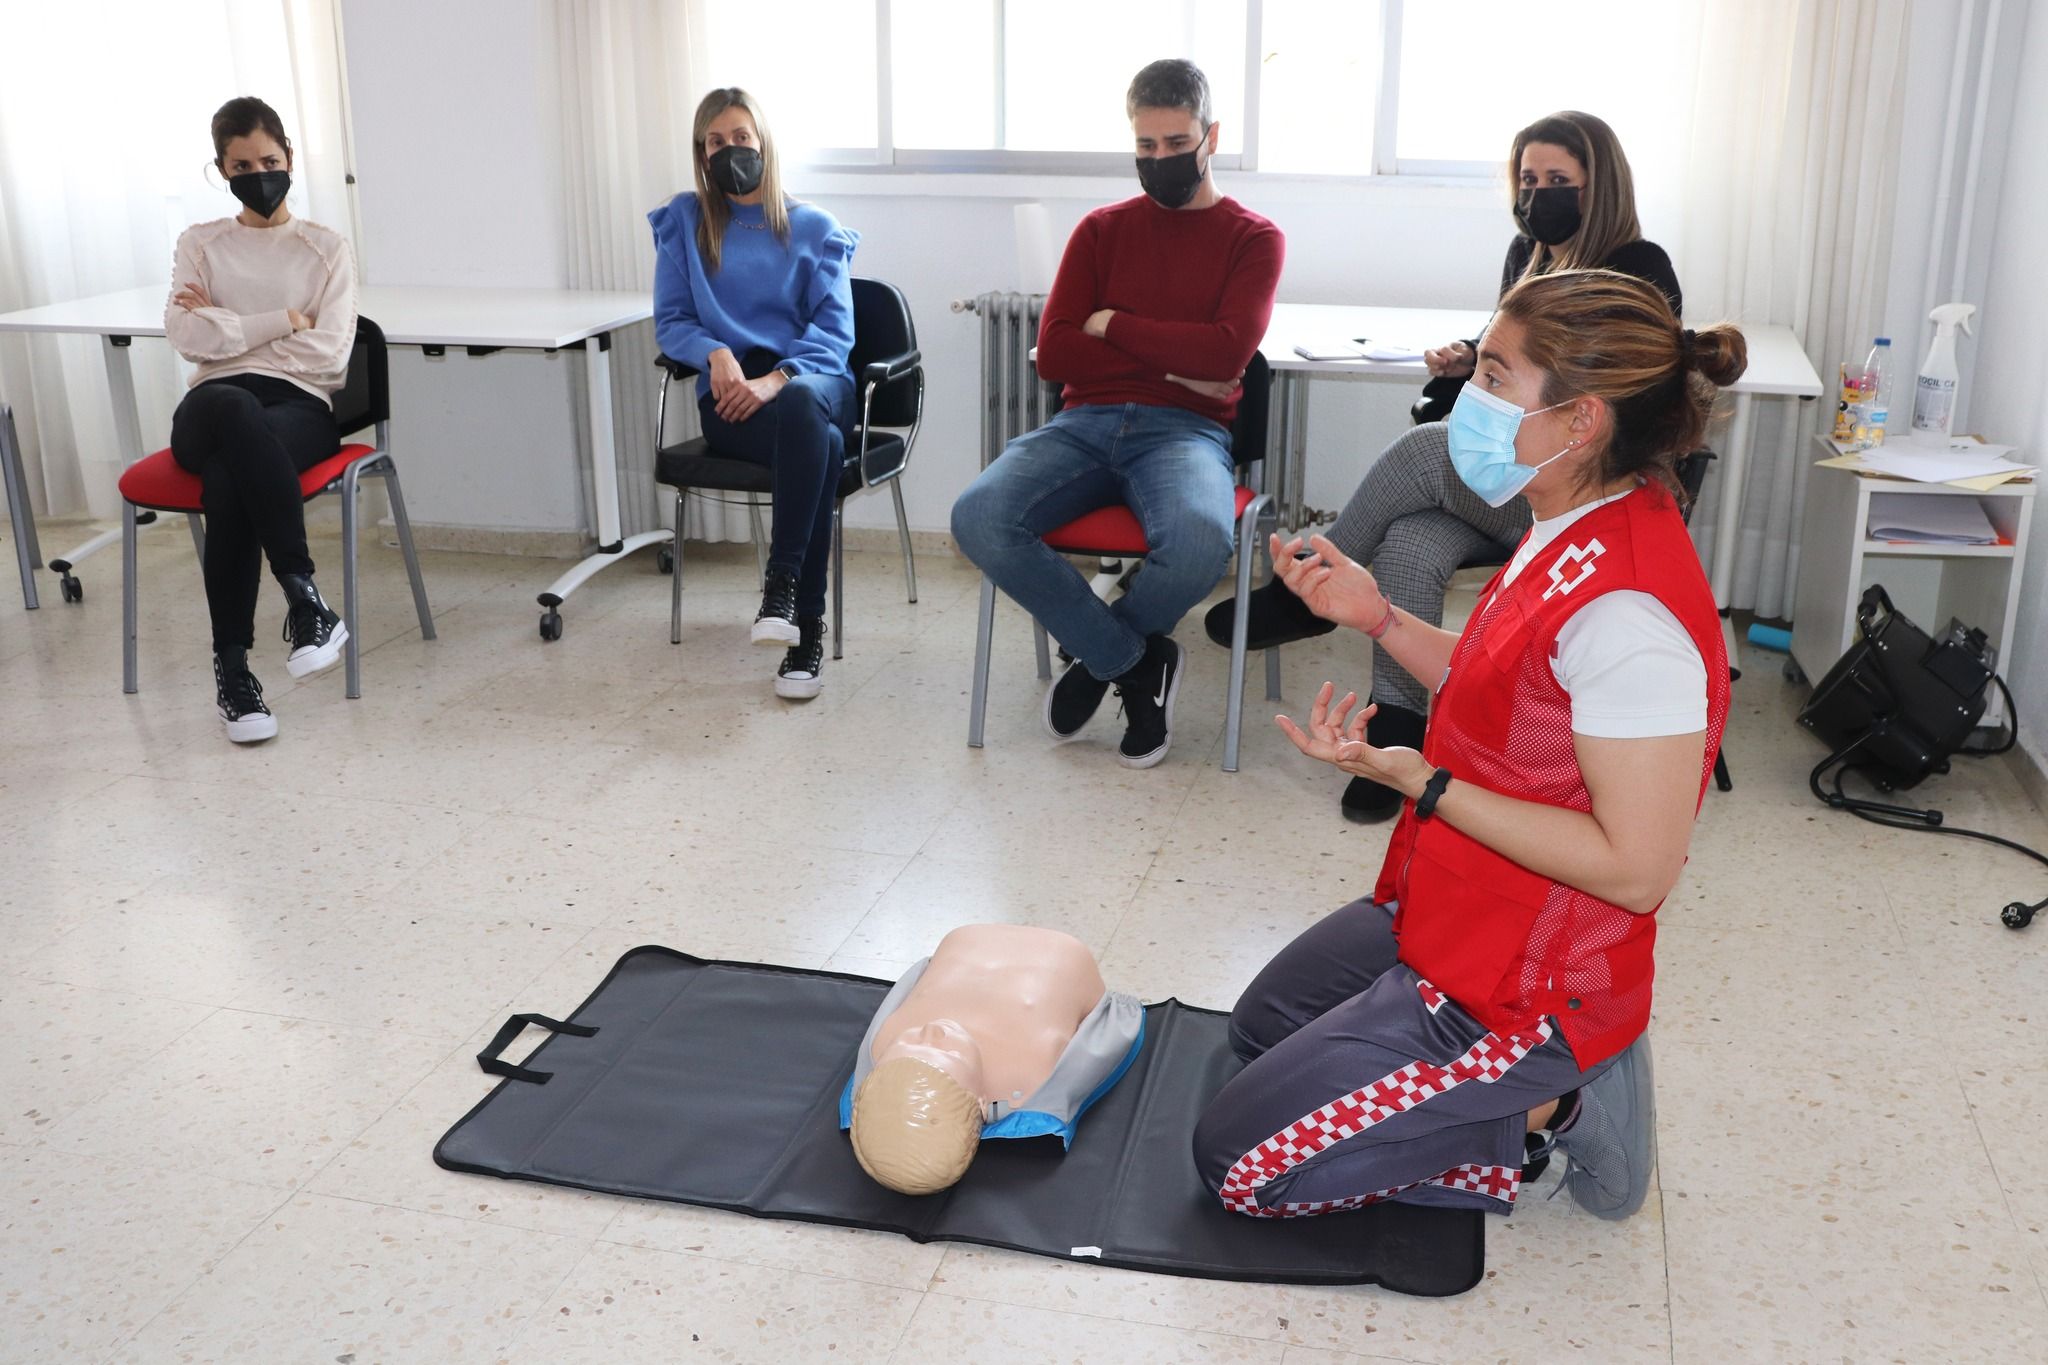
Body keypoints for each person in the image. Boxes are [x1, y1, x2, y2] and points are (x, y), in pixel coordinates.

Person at [1192, 269, 1744, 1224]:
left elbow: (1637, 870)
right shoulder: (1567, 519)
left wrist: (1426, 780)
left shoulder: (1629, 612)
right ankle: (1512, 1079)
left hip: (1531, 985)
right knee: (1259, 1030)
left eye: (1496, 376)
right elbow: (1510, 691)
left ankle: (1554, 1104)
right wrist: (1379, 617)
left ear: (1581, 423)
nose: (1470, 398)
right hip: (1457, 906)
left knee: (1239, 1165)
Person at [1207, 110, 1681, 820]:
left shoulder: (1640, 269)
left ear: (1599, 185)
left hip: (1573, 493)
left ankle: (1311, 579)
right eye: (1527, 178)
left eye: (1558, 180)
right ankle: (1396, 734)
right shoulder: (1528, 253)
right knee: (1411, 542)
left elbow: (1611, 397)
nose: (1537, 193)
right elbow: (1526, 359)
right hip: (1514, 486)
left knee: (1427, 449)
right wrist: (1472, 356)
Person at [951, 58, 1283, 769]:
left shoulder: (1254, 239)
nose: (1159, 160)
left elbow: (1229, 354)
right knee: (978, 515)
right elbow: (1057, 354)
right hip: (1083, 424)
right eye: (1144, 147)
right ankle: (1132, 663)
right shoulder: (1101, 230)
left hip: (1187, 432)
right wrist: (1178, 360)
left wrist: (1117, 324)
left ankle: (1096, 660)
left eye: (1174, 143)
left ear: (1211, 136)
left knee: (1200, 539)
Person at [650, 87, 860, 700]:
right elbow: (672, 321)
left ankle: (782, 588)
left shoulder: (814, 227)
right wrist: (716, 354)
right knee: (816, 447)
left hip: (813, 384)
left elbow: (835, 334)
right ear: (701, 151)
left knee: (806, 414)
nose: (730, 149)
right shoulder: (684, 222)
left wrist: (776, 379)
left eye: (741, 137)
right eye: (716, 141)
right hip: (734, 398)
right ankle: (805, 631)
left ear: (763, 143)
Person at [166, 96, 357, 744]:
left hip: (299, 404)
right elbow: (184, 334)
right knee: (230, 403)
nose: (259, 173)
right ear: (221, 169)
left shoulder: (326, 248)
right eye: (241, 163)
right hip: (210, 404)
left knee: (228, 478)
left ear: (291, 160)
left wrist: (227, 329)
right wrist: (281, 321)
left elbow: (329, 353)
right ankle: (305, 599)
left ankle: (234, 676)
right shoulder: (201, 243)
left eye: (269, 160)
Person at [843, 925, 1141, 1195]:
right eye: (948, 1052)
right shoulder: (1033, 1076)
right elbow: (1112, 1032)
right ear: (983, 1104)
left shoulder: (878, 1050)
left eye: (911, 1040)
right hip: (1054, 950)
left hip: (968, 939)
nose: (933, 1030)